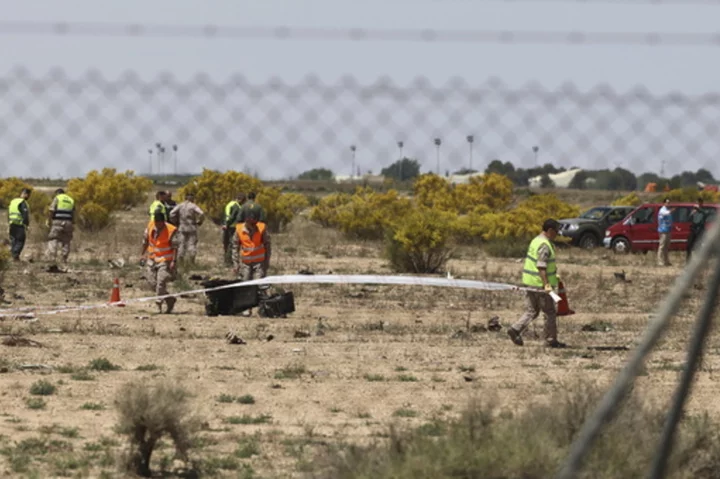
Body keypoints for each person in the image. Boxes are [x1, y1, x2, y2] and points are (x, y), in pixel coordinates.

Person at [507, 219, 566, 348]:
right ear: (550, 231)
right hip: (540, 284)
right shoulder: (544, 245)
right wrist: (546, 285)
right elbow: (541, 266)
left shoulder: (536, 240)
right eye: (556, 232)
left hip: (529, 282)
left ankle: (515, 329)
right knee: (550, 312)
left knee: (532, 311)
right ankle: (551, 340)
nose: (557, 235)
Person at [232, 209, 271, 317]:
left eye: (255, 222)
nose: (253, 225)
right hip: (245, 262)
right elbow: (235, 247)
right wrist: (236, 264)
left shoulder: (262, 228)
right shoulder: (239, 229)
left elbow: (267, 245)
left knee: (260, 285)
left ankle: (264, 308)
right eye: (251, 223)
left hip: (259, 262)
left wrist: (266, 262)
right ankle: (246, 309)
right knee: (245, 285)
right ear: (246, 221)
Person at [140, 213, 179, 313]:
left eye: (160, 223)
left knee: (161, 282)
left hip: (165, 260)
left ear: (163, 222)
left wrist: (173, 261)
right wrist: (142, 254)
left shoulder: (171, 230)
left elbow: (175, 247)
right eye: (156, 223)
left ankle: (158, 304)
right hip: (152, 258)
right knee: (152, 283)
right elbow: (145, 241)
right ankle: (169, 299)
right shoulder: (150, 226)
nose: (158, 225)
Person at [168, 192, 205, 265]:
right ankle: (192, 262)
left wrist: (175, 221)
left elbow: (171, 213)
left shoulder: (180, 205)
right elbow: (201, 213)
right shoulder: (193, 206)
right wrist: (200, 221)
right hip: (191, 227)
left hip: (182, 227)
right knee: (191, 245)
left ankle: (180, 261)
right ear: (192, 198)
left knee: (181, 244)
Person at [45, 188, 75, 265]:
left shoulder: (57, 198)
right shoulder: (71, 200)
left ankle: (52, 259)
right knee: (66, 241)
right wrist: (72, 223)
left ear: (57, 193)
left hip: (57, 221)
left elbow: (52, 210)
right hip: (68, 222)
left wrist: (48, 220)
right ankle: (64, 259)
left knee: (53, 238)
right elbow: (73, 213)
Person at [222, 193, 246, 266]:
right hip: (232, 227)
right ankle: (229, 261)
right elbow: (230, 217)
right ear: (240, 199)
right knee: (231, 243)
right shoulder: (235, 206)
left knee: (229, 243)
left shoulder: (231, 204)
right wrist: (226, 223)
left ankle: (228, 260)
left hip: (230, 226)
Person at [8, 188, 31, 261]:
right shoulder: (23, 202)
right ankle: (15, 255)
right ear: (25, 194)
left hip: (12, 224)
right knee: (21, 240)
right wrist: (27, 225)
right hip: (19, 225)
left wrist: (9, 223)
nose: (28, 197)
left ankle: (13, 256)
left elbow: (8, 213)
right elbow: (25, 215)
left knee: (14, 240)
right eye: (28, 195)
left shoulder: (13, 201)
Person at [687, 197, 708, 262]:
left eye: (699, 203)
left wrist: (699, 209)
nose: (697, 204)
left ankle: (700, 260)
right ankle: (688, 260)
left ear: (701, 203)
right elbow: (689, 219)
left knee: (699, 246)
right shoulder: (694, 211)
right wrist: (691, 213)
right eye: (697, 202)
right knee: (689, 245)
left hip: (700, 230)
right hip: (693, 229)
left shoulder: (704, 210)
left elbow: (706, 213)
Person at [657, 198, 674, 267]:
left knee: (667, 247)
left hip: (668, 230)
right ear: (664, 203)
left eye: (669, 202)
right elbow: (666, 213)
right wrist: (672, 210)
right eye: (667, 202)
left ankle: (666, 261)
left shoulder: (667, 210)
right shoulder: (662, 210)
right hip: (663, 230)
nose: (668, 204)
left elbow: (670, 220)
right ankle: (660, 261)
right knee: (662, 246)